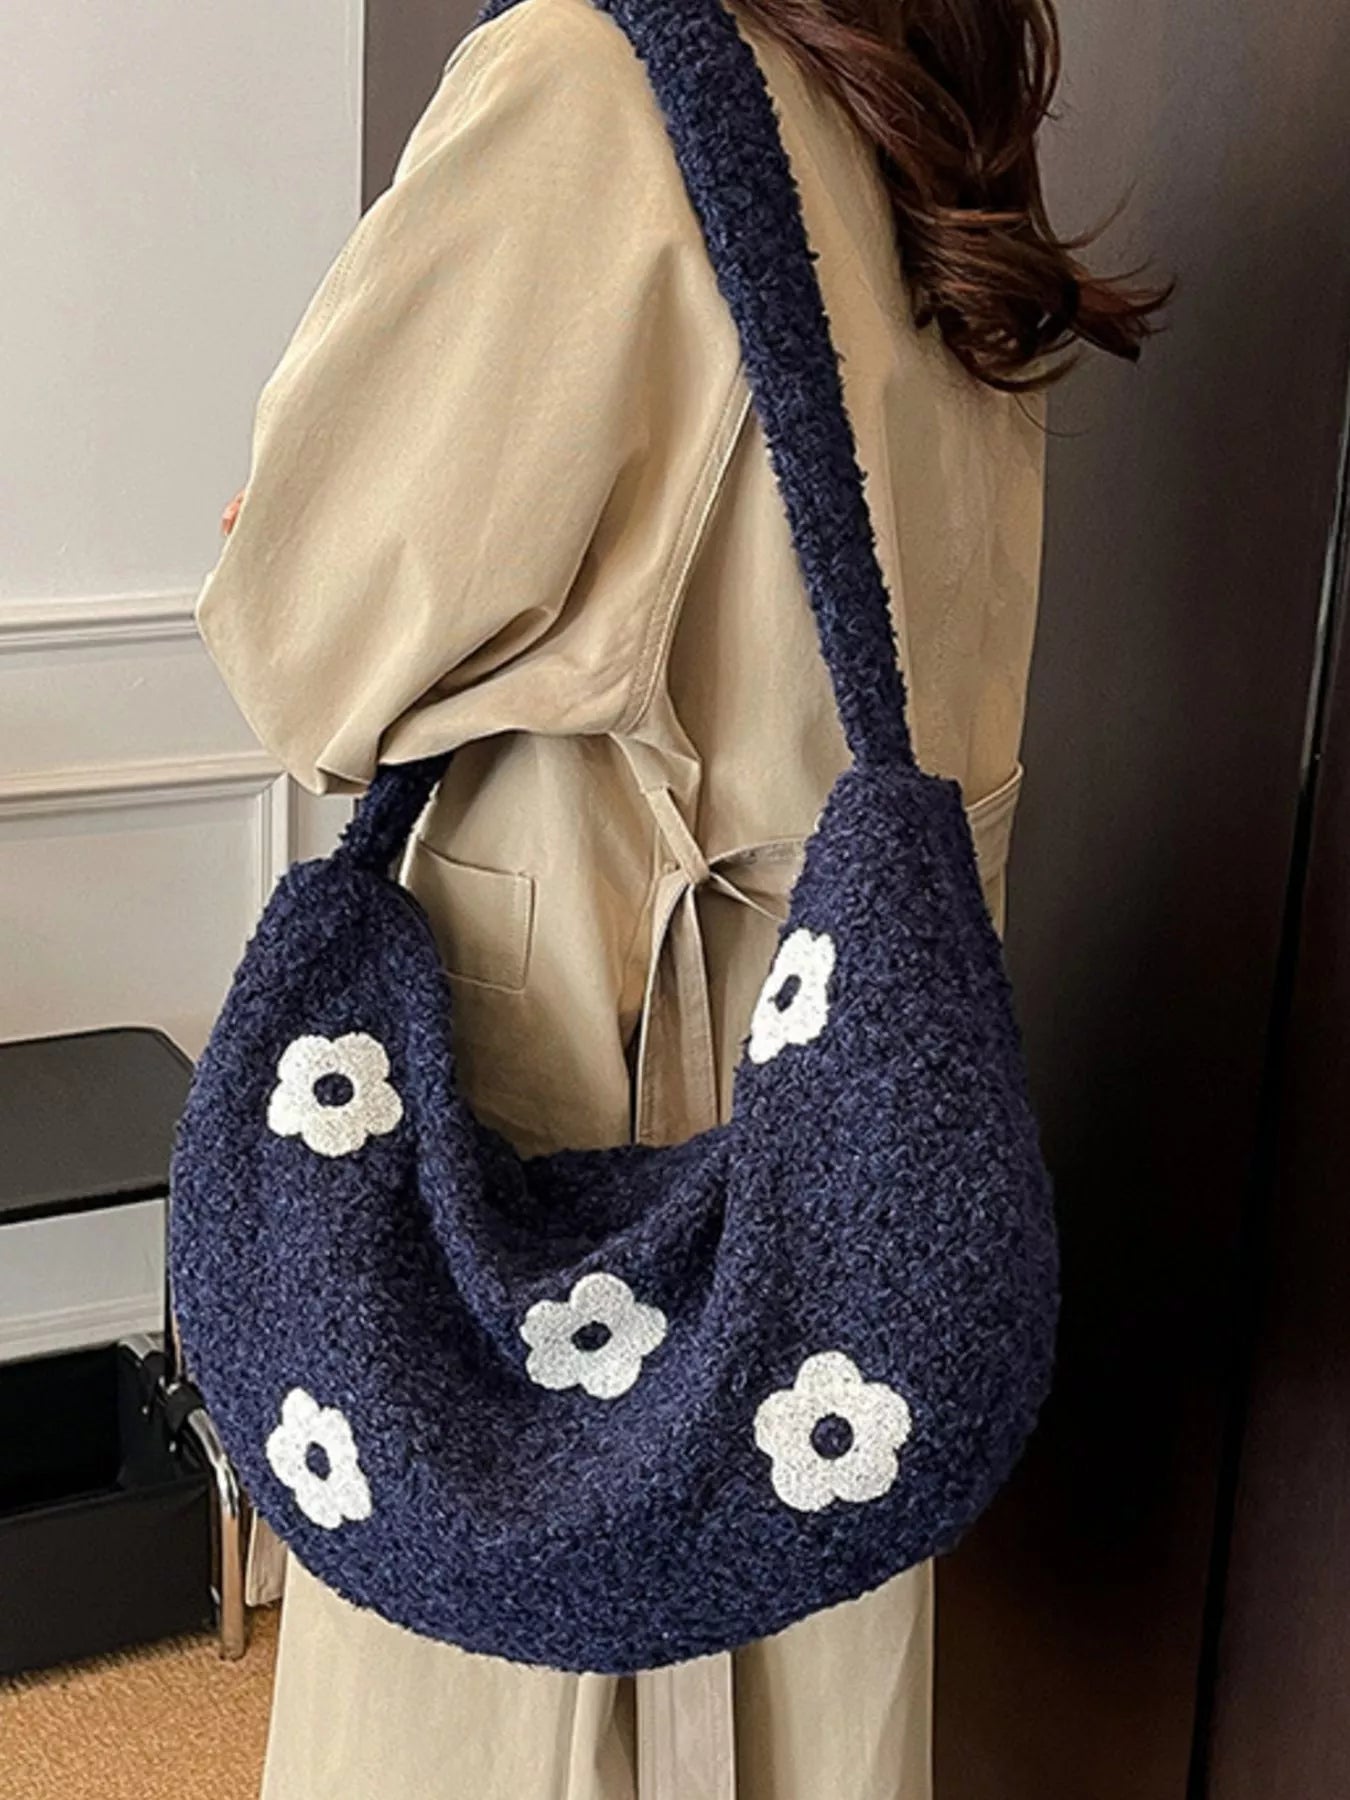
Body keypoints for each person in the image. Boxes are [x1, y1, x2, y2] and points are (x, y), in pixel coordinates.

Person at [195, 0, 1164, 1793]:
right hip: (828, 1164)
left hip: (591, 1114)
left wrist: (284, 533)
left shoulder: (592, 82)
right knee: (784, 1661)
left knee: (528, 1689)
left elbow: (301, 640)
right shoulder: (921, 124)